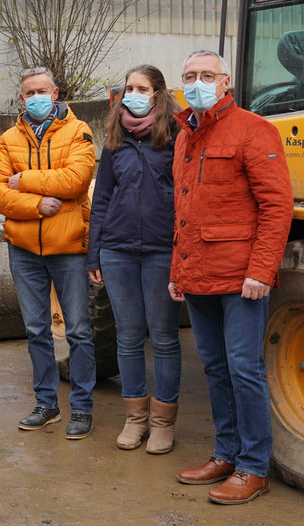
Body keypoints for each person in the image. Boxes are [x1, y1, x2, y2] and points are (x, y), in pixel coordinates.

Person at [167, 50, 293, 505]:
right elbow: (183, 212)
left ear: (226, 81)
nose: (197, 82)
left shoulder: (255, 130)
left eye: (206, 75)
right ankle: (225, 454)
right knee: (216, 368)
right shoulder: (185, 136)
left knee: (244, 370)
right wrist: (176, 272)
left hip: (242, 279)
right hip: (197, 276)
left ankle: (254, 467)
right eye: (189, 76)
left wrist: (261, 271)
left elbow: (277, 207)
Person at [0, 66, 97, 439]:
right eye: (29, 92)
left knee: (78, 330)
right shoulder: (6, 139)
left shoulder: (78, 131)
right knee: (36, 330)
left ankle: (81, 408)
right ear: (21, 98)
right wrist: (37, 205)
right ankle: (46, 403)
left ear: (56, 92)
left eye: (41, 91)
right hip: (24, 249)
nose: (35, 97)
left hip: (69, 248)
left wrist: (26, 181)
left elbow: (76, 179)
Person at [86, 65, 183, 454]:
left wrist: (184, 253)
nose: (134, 93)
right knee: (127, 338)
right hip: (118, 251)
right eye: (129, 87)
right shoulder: (114, 140)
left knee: (162, 338)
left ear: (158, 93)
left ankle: (162, 424)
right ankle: (135, 419)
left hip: (162, 251)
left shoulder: (177, 138)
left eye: (142, 87)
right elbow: (102, 200)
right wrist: (94, 251)